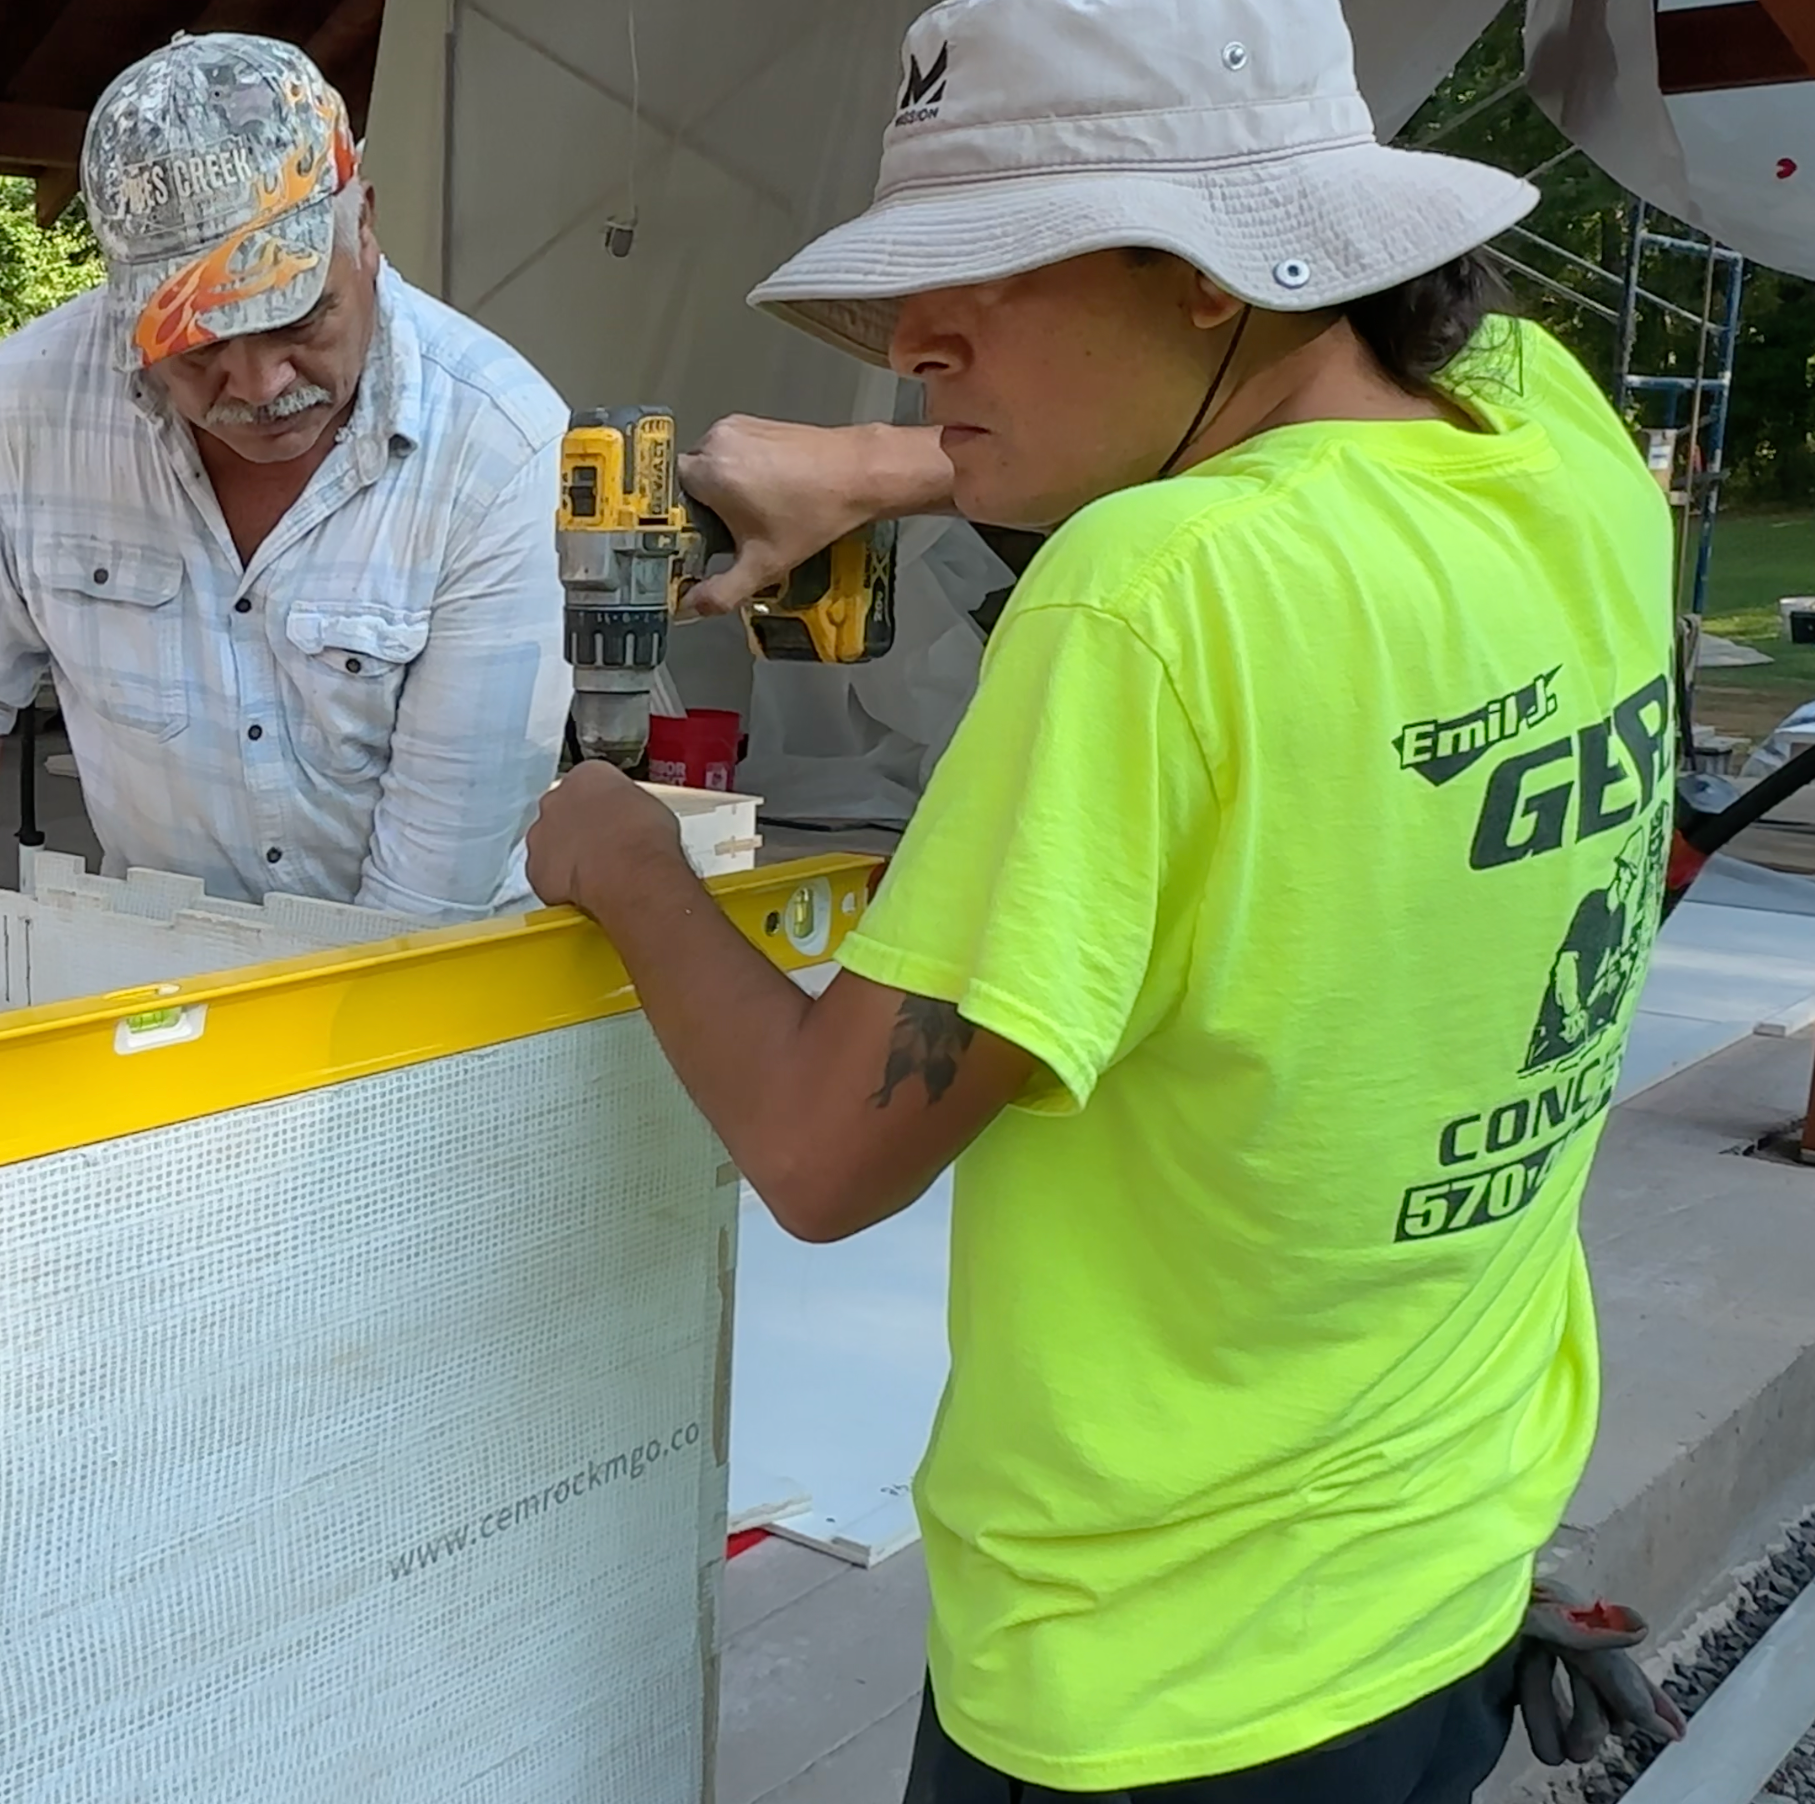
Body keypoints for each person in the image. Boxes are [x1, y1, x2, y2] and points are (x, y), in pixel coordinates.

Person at [527, 0, 1686, 1798]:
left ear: (1212, 268)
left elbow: (829, 1154)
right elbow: (1317, 434)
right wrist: (882, 469)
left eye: (982, 273)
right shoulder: (1556, 444)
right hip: (1441, 1572)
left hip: (1151, 1678)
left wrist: (624, 858)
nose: (911, 342)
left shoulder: (1147, 600)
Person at [0, 33, 570, 1025]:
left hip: (438, 986)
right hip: (161, 982)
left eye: (299, 324)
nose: (258, 388)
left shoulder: (493, 438)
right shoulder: (17, 407)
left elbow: (426, 901)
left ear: (362, 227)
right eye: (198, 350)